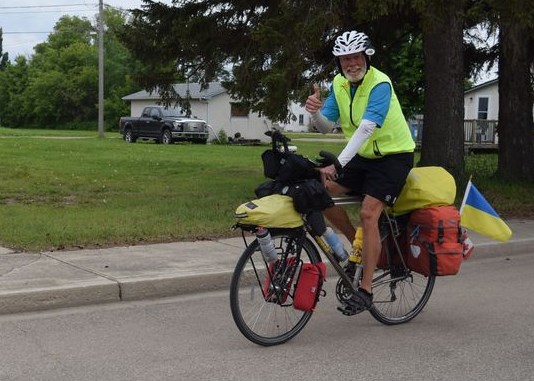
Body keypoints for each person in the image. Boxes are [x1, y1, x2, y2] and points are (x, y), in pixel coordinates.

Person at [305, 30, 415, 316]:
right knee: (322, 190)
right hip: (364, 157)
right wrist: (314, 112)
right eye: (344, 59)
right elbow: (327, 125)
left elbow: (366, 129)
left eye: (355, 57)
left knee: (369, 213)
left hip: (393, 157)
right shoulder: (340, 83)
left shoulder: (380, 84)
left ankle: (365, 291)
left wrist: (338, 163)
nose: (350, 64)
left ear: (366, 56)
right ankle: (360, 245)